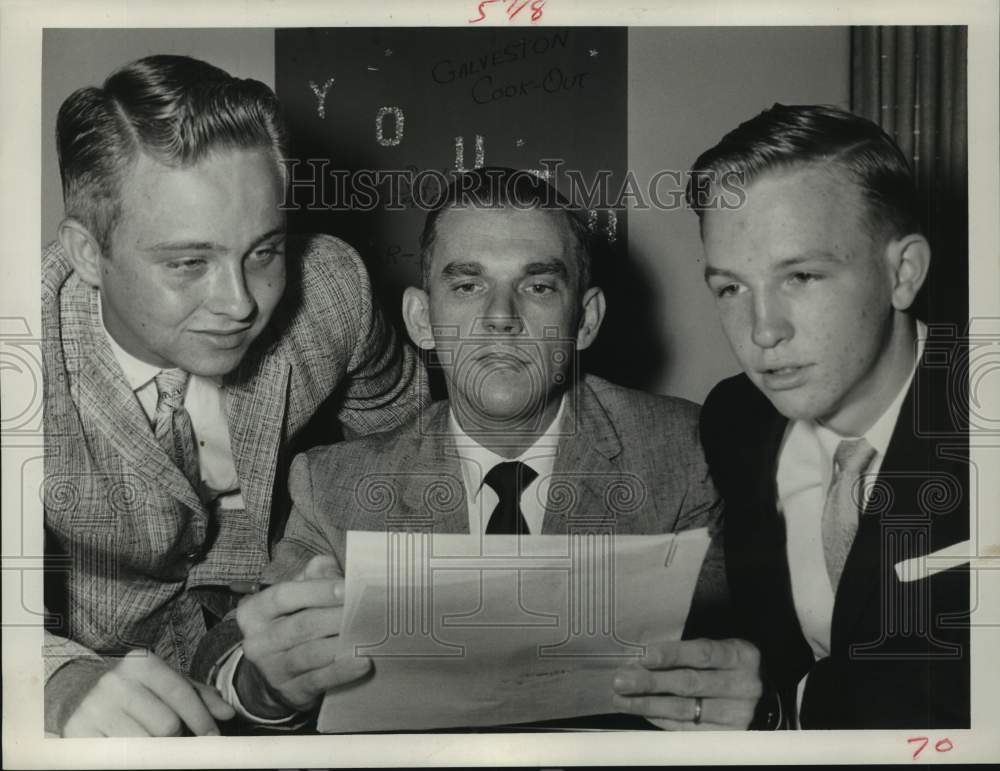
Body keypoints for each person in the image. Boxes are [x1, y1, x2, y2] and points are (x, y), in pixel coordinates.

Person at [193, 168, 767, 732]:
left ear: (585, 321)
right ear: (422, 320)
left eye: (537, 286)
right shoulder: (333, 485)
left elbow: (748, 649)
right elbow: (236, 650)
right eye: (468, 286)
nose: (500, 319)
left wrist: (744, 703)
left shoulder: (687, 452)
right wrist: (265, 684)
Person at [43, 54, 428, 737]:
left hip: (271, 676)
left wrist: (322, 566)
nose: (240, 302)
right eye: (189, 263)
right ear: (83, 252)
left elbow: (401, 443)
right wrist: (47, 676)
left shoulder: (332, 290)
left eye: (263, 251)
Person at [689, 104, 969, 728]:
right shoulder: (736, 419)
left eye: (803, 276)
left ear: (903, 273)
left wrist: (783, 707)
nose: (763, 331)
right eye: (730, 288)